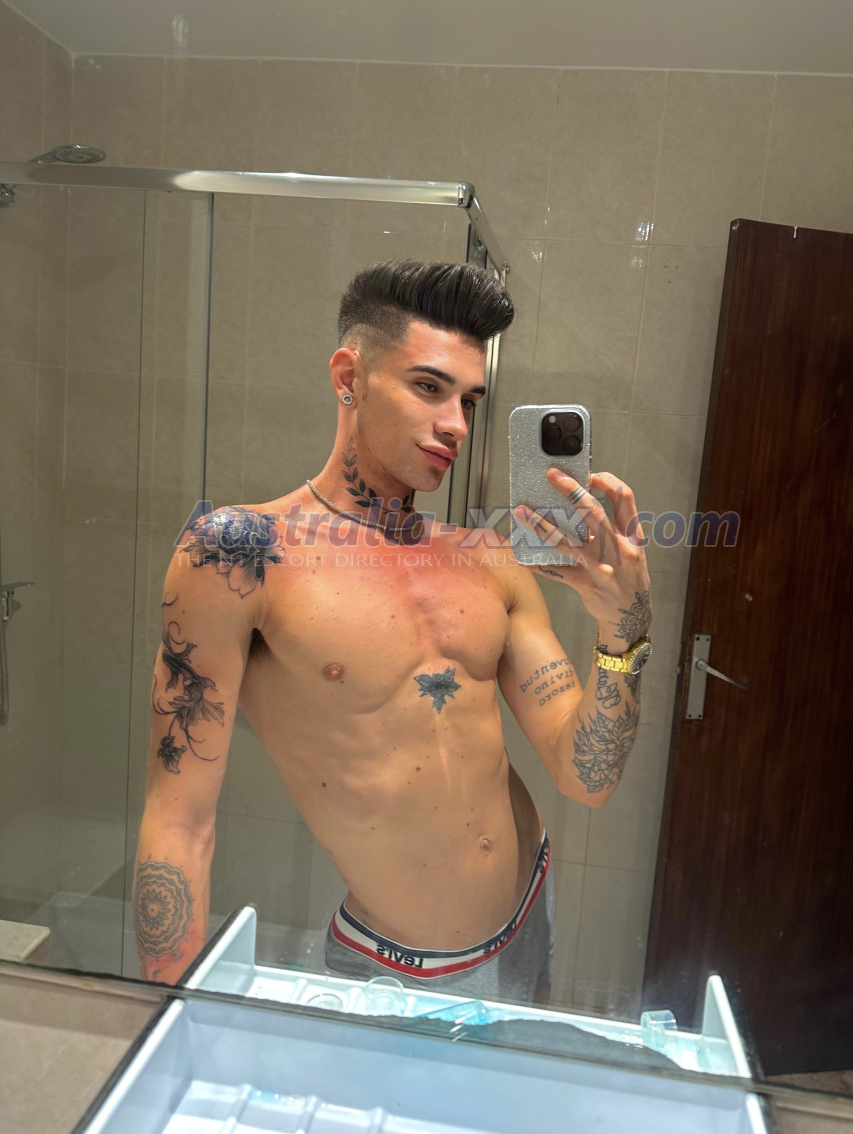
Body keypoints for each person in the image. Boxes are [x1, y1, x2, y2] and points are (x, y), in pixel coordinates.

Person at [133, 260, 652, 1004]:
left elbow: (587, 778)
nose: (457, 425)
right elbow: (179, 823)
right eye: (429, 387)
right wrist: (168, 1019)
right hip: (397, 968)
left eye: (469, 400)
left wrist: (623, 630)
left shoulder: (489, 560)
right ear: (351, 377)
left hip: (529, 911)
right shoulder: (241, 555)